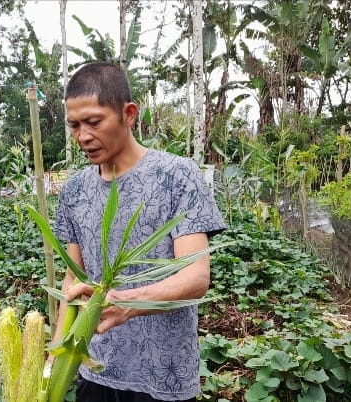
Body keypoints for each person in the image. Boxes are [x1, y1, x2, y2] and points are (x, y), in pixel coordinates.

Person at [52, 61, 226, 402]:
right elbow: (73, 283)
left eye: (94, 122)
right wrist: (51, 367)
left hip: (164, 378)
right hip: (96, 370)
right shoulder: (74, 192)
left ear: (129, 114)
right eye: (74, 125)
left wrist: (127, 302)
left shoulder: (177, 176)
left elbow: (196, 277)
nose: (83, 136)